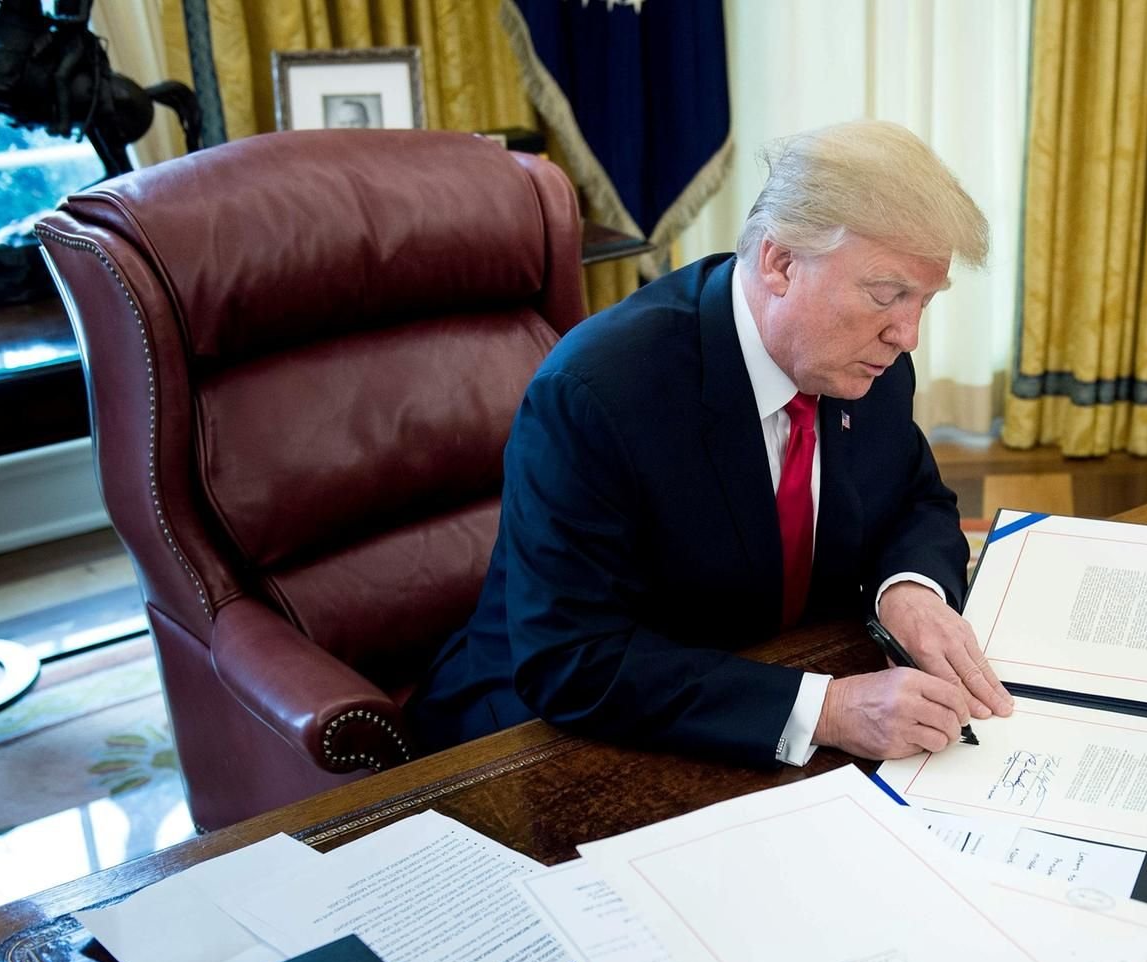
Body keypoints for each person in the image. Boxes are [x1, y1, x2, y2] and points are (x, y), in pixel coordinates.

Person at [408, 120, 1013, 767]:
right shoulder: (598, 394)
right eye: (887, 295)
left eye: (924, 301)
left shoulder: (864, 364)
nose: (908, 335)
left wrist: (909, 590)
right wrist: (826, 711)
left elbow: (913, 498)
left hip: (763, 673)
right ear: (780, 263)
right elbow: (571, 659)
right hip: (551, 737)